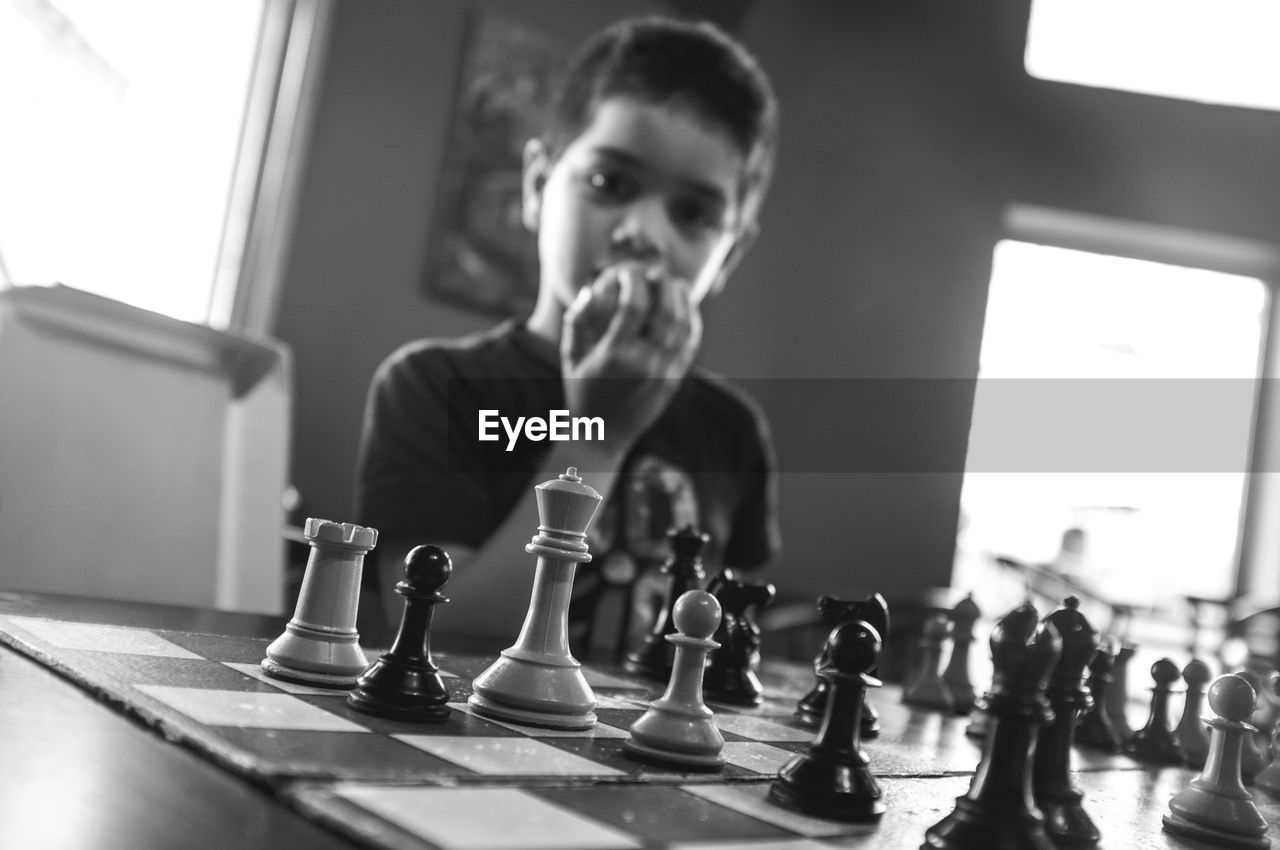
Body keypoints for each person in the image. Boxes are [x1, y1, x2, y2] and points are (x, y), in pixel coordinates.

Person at [355, 16, 782, 654]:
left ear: (731, 254)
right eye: (611, 183)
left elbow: (723, 646)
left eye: (692, 213)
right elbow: (439, 632)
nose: (643, 233)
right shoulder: (435, 389)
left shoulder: (733, 432)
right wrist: (599, 438)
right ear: (536, 186)